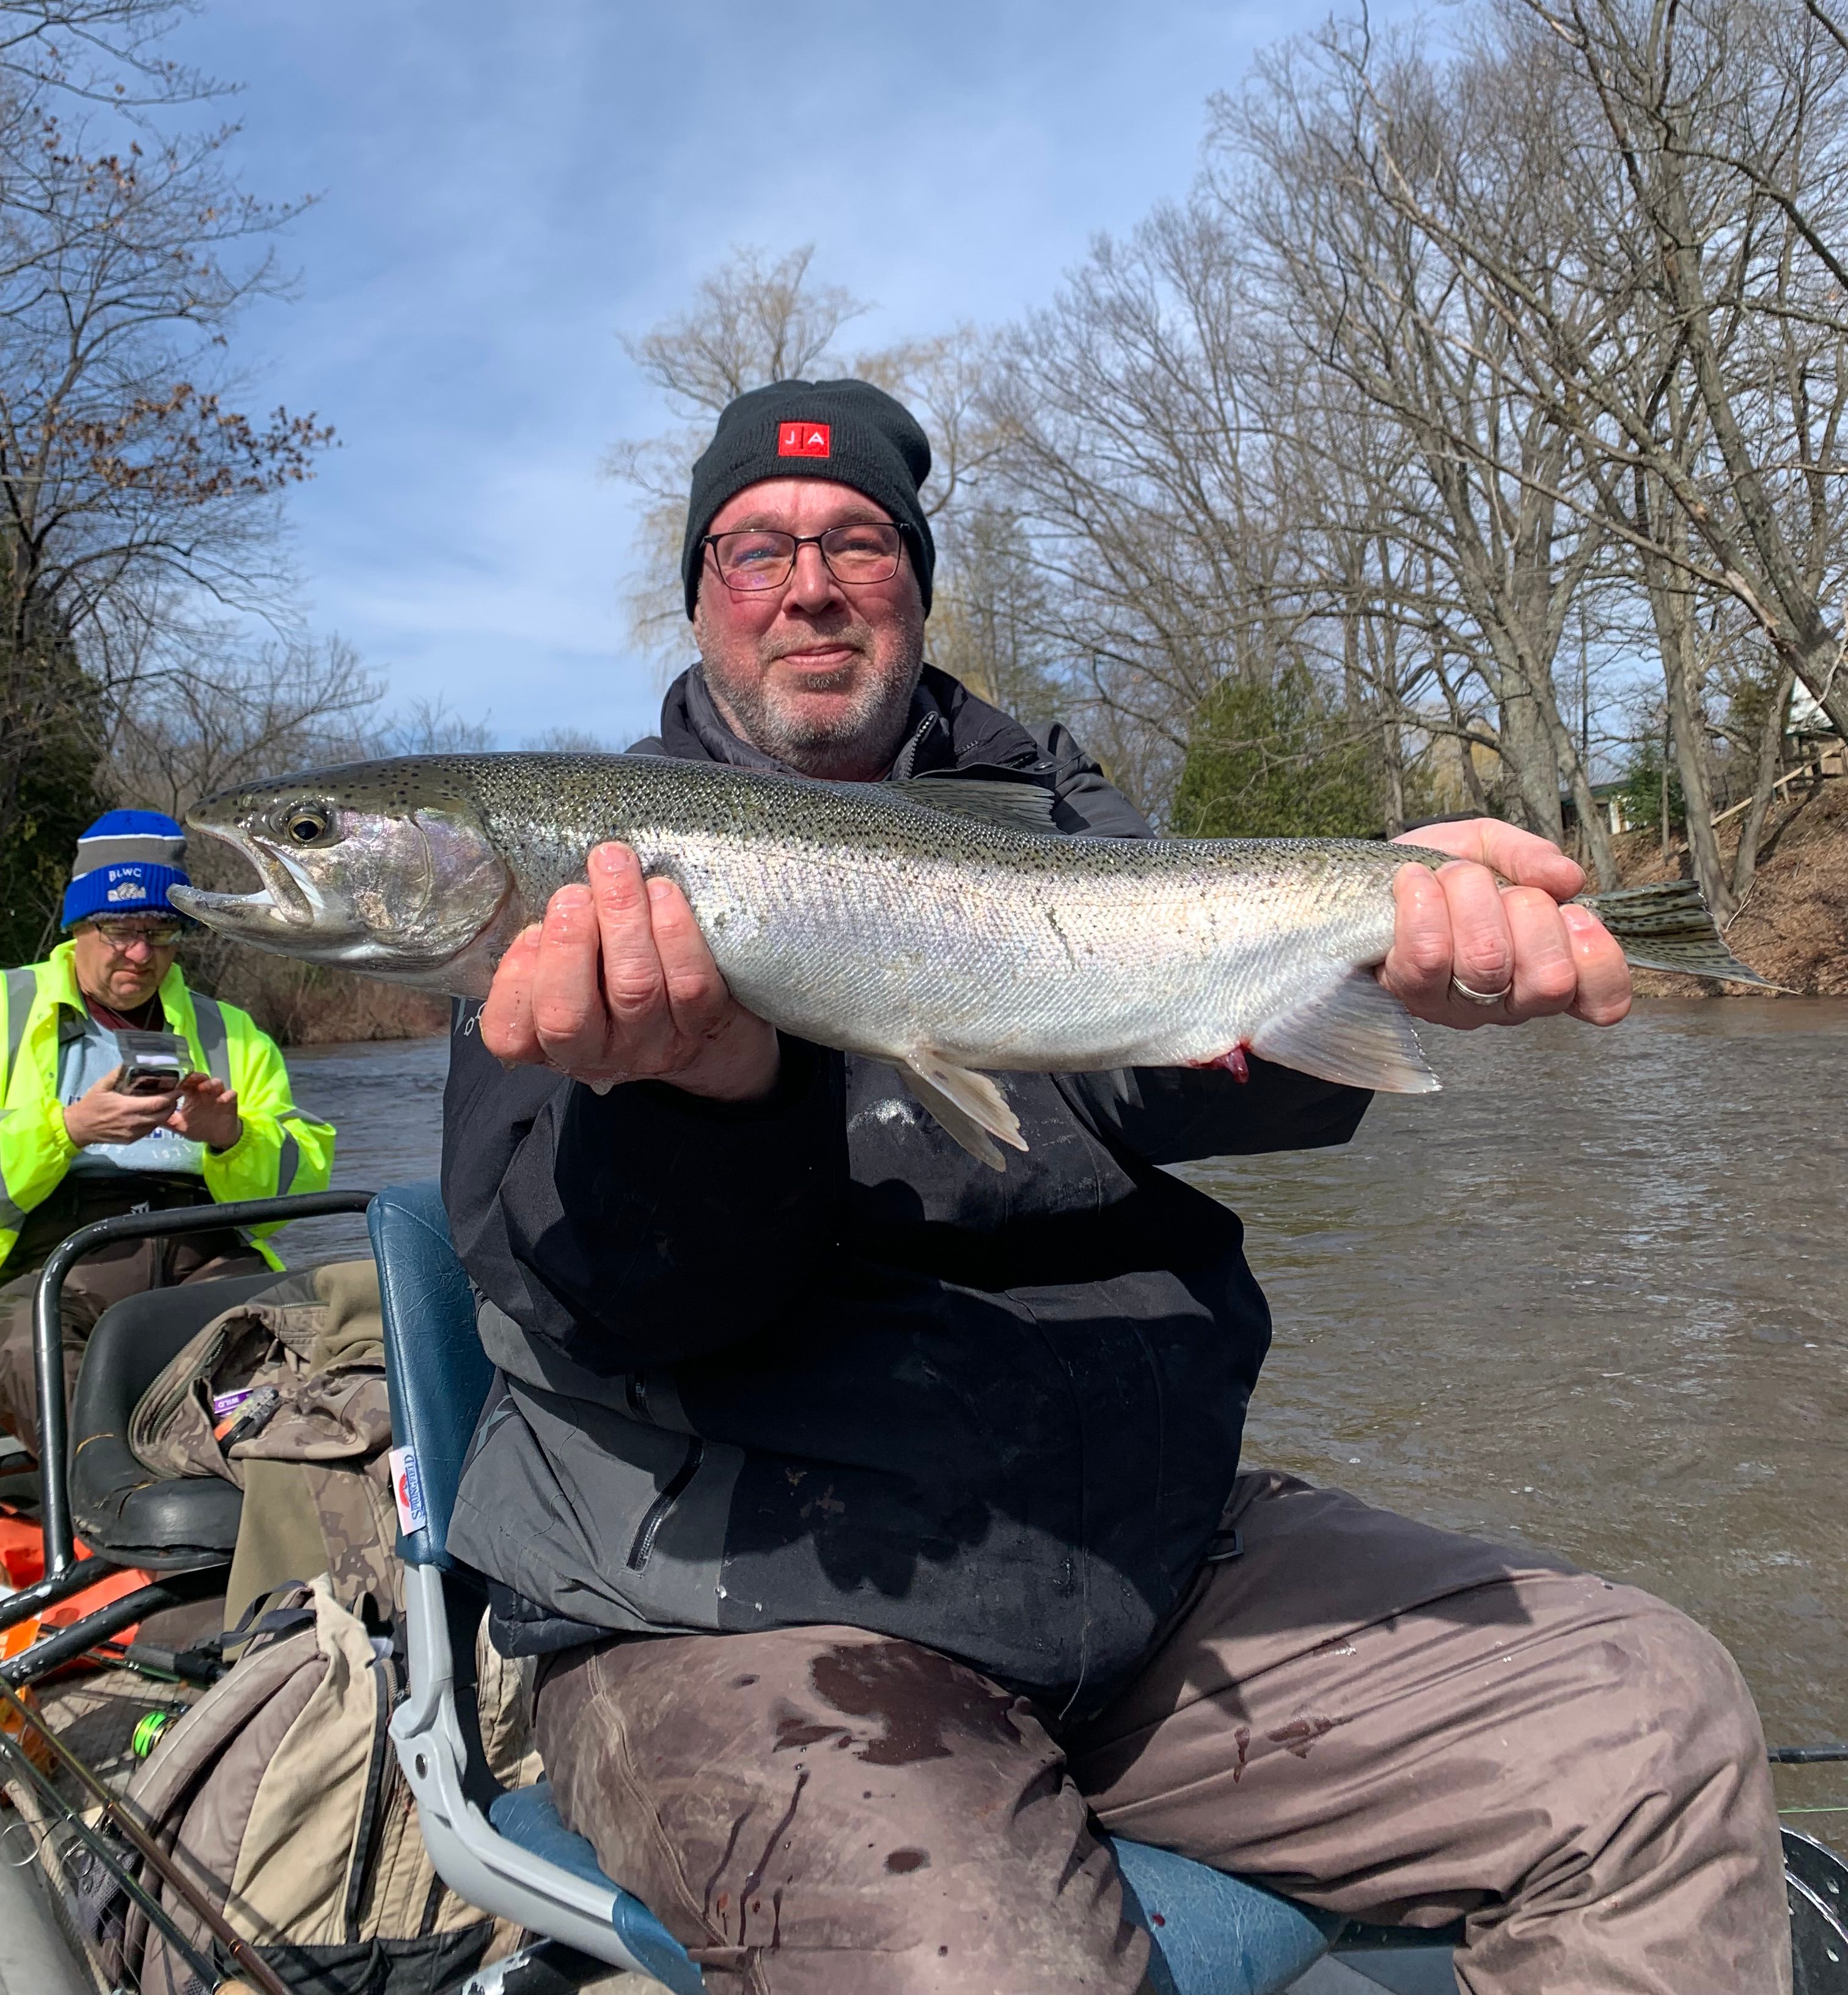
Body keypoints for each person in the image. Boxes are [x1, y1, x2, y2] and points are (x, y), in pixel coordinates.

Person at [441, 380, 1785, 1995]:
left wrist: (1387, 935)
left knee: (1653, 1723)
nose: (808, 584)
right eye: (754, 552)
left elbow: (1153, 1072)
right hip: (722, 1612)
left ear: (918, 582)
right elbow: (579, 1291)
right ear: (701, 598)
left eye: (856, 541)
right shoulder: (581, 884)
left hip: (1134, 1565)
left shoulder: (1053, 816)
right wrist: (709, 1100)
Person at [0, 810, 336, 1449]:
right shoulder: (6, 1009)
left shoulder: (232, 1031)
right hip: (53, 1254)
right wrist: (67, 1129)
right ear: (79, 926)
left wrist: (231, 1136)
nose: (140, 953)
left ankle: (267, 1494)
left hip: (200, 1245)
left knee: (308, 1335)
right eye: (120, 929)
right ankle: (119, 1496)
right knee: (26, 1348)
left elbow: (298, 1182)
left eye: (161, 931)